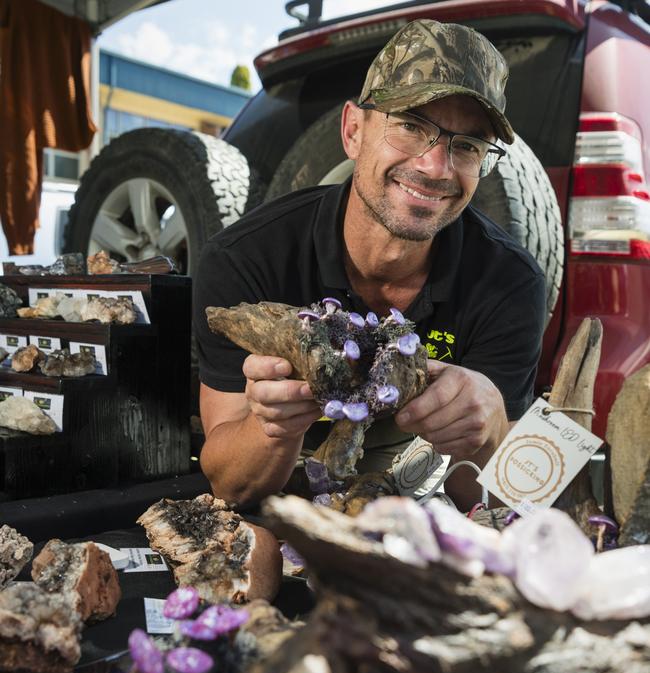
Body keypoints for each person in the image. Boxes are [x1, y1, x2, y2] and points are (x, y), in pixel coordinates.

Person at [194, 18, 546, 511]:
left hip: (421, 521)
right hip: (284, 508)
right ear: (354, 130)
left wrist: (488, 433)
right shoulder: (246, 259)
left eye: (465, 146)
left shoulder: (510, 283)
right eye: (410, 125)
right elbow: (230, 486)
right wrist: (271, 426)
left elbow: (502, 505)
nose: (435, 167)